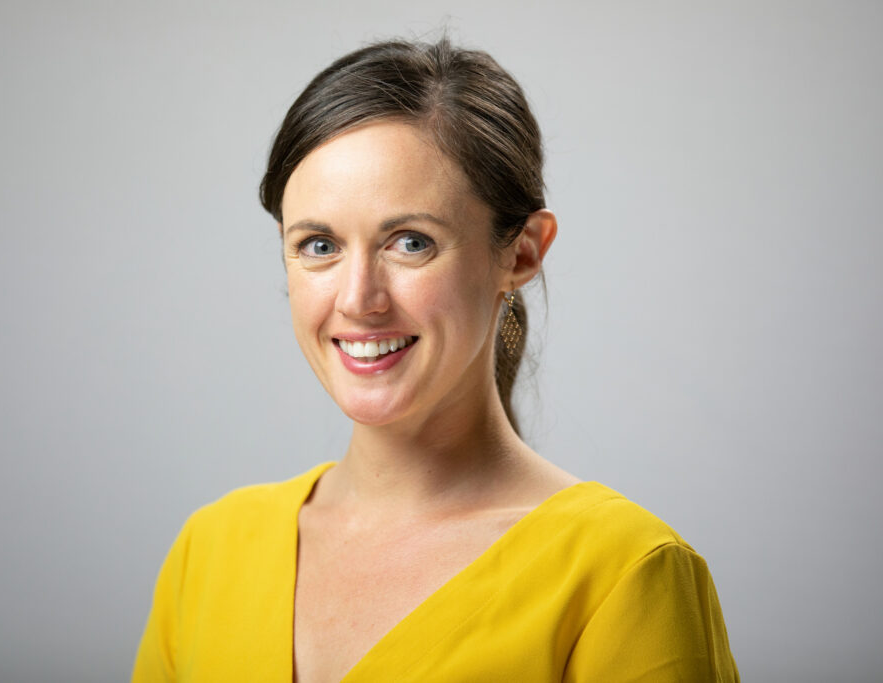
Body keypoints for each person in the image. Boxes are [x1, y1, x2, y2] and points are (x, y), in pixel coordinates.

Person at [132, 37, 738, 682]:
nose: (358, 299)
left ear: (523, 252)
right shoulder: (211, 551)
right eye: (318, 245)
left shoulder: (624, 572)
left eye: (411, 242)